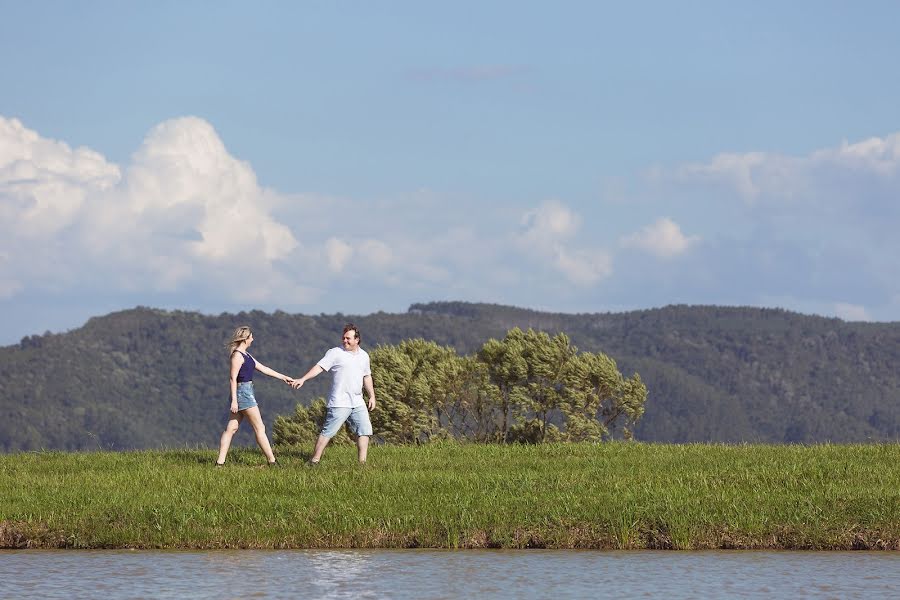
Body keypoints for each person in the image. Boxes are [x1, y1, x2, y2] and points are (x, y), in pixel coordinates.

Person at [292, 323, 376, 464]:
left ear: (357, 340)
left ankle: (362, 463)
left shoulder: (364, 356)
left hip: (358, 402)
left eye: (348, 338)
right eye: (343, 338)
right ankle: (314, 461)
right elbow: (319, 367)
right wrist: (303, 379)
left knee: (365, 430)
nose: (345, 341)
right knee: (328, 432)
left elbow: (367, 376)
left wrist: (372, 396)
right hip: (339, 402)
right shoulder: (335, 353)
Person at [216, 325, 293, 466]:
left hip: (245, 392)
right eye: (251, 337)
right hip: (243, 393)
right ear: (245, 339)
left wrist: (283, 377)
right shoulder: (237, 356)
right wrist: (234, 400)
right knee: (260, 428)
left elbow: (264, 369)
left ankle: (220, 463)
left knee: (231, 428)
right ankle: (272, 461)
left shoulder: (247, 355)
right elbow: (233, 378)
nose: (253, 339)